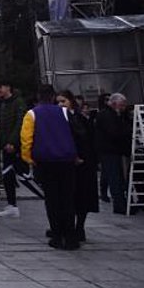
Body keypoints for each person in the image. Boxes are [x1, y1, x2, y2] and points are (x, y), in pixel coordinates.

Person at [20, 85, 79, 250]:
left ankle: (57, 235)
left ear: (38, 97)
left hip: (45, 160)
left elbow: (26, 139)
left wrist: (28, 158)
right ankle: (71, 236)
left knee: (52, 199)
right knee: (67, 198)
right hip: (66, 160)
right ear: (53, 97)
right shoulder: (65, 112)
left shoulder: (32, 114)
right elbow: (77, 133)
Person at [61, 91, 98, 243]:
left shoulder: (78, 118)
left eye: (63, 101)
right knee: (69, 197)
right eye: (58, 102)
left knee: (82, 196)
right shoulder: (64, 118)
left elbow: (87, 138)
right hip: (69, 162)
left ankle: (79, 227)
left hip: (82, 162)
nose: (60, 105)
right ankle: (68, 227)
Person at [0, 80, 28, 218]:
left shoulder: (18, 103)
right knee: (7, 174)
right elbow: (2, 127)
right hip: (6, 145)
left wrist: (12, 142)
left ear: (8, 87)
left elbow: (20, 123)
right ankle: (11, 204)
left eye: (0, 87)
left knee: (21, 174)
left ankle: (13, 204)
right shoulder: (4, 104)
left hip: (15, 146)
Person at [95, 93, 132, 215]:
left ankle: (122, 203)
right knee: (115, 178)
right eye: (122, 105)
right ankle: (120, 204)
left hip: (113, 151)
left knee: (118, 178)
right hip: (109, 151)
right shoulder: (107, 115)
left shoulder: (113, 114)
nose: (123, 108)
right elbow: (114, 132)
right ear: (115, 104)